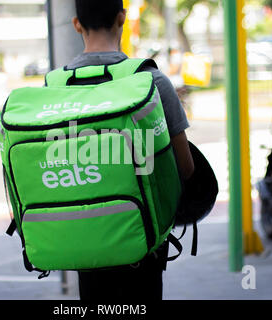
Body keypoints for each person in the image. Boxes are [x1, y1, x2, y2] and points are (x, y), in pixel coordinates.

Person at [62, 0, 195, 301]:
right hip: (142, 245)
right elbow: (185, 169)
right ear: (122, 18)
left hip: (82, 242)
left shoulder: (56, 88)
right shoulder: (150, 82)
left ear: (76, 24)